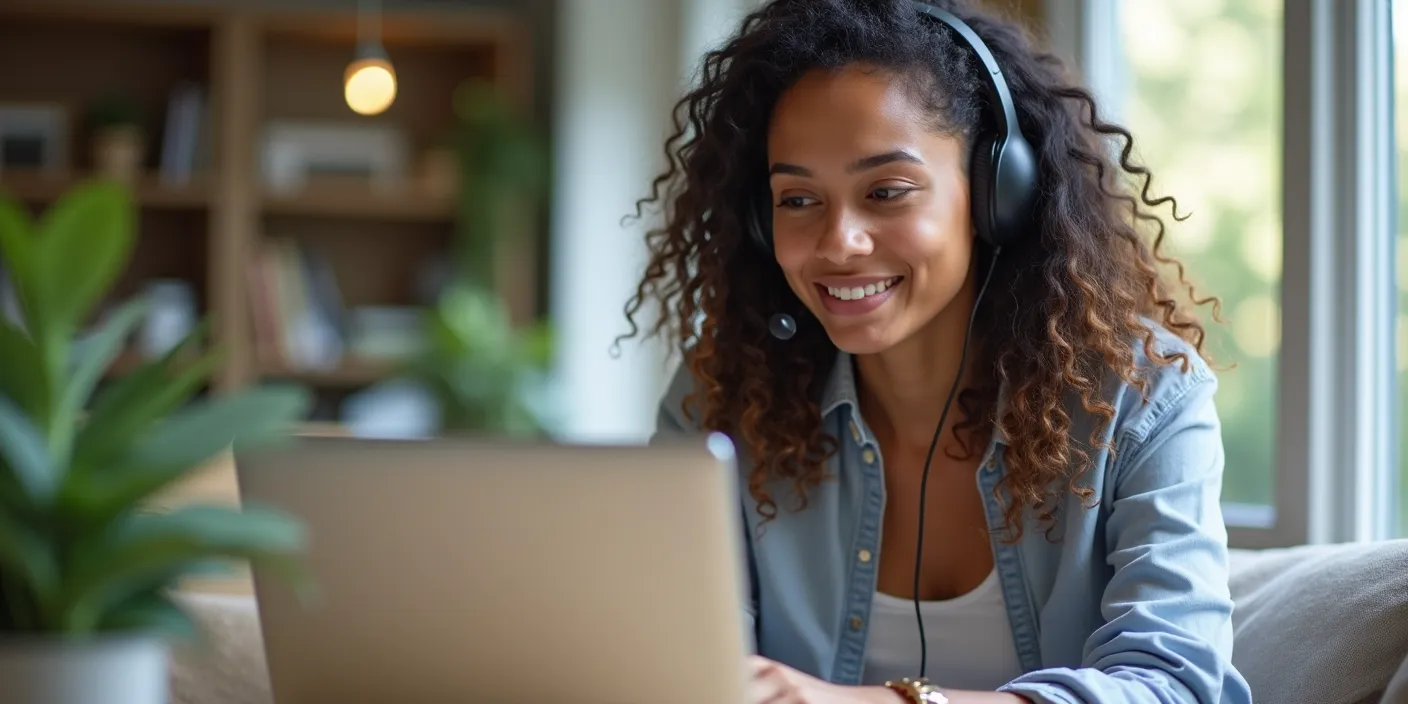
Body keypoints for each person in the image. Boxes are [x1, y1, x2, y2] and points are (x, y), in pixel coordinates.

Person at [623, 0, 1253, 702]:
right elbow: (678, 662)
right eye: (798, 199)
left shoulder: (1143, 400)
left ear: (995, 194)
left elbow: (1175, 686)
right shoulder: (720, 399)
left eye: (886, 192)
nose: (838, 243)